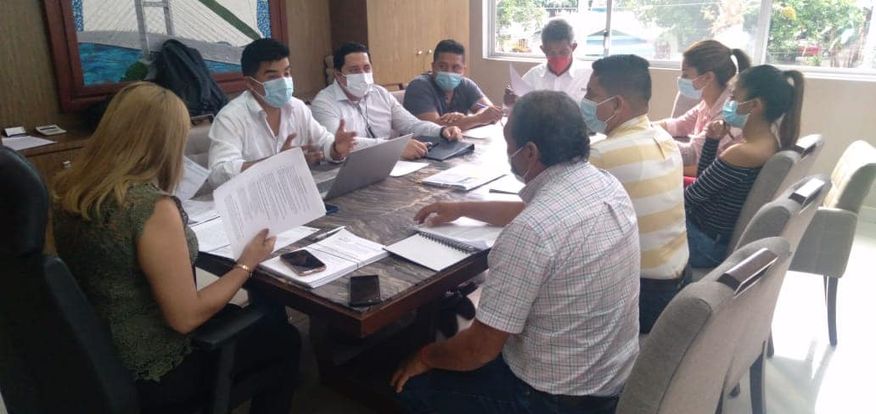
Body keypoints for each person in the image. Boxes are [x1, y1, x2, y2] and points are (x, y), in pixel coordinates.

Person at [52, 82, 300, 413]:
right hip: (156, 368)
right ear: (164, 143)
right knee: (285, 339)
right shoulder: (149, 208)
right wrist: (247, 263)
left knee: (259, 320)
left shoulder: (72, 189)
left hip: (98, 354)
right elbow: (186, 317)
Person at [392, 91, 640, 414]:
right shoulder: (605, 184)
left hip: (550, 399)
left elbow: (477, 351)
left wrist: (425, 355)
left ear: (530, 152)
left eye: (510, 144)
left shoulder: (530, 233)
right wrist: (462, 208)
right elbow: (534, 211)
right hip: (612, 379)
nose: (508, 152)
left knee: (413, 386)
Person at [579, 54, 690, 333]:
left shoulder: (602, 154)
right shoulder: (663, 137)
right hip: (679, 284)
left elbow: (544, 215)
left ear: (617, 104)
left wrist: (470, 208)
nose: (585, 101)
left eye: (591, 94)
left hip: (643, 297)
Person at [685, 65, 805, 268]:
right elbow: (704, 182)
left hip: (703, 244)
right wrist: (712, 141)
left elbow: (690, 197)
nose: (728, 102)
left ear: (754, 105)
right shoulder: (769, 143)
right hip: (712, 240)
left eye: (733, 97)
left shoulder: (742, 153)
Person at [208, 38, 356, 187]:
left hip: (294, 189)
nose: (283, 81)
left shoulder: (297, 107)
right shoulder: (230, 118)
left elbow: (323, 141)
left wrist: (336, 148)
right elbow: (218, 174)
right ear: (250, 83)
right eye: (272, 77)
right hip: (253, 195)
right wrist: (275, 164)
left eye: (287, 73)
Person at [311, 42, 463, 161]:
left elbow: (411, 124)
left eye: (366, 68)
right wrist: (395, 148)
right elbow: (340, 145)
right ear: (338, 75)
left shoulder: (380, 93)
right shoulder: (323, 103)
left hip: (390, 165)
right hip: (347, 170)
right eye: (355, 70)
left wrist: (441, 131)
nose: (363, 75)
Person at [655, 40, 751, 176]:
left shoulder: (729, 112)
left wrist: (650, 140)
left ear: (707, 78)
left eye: (685, 75)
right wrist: (646, 127)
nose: (681, 79)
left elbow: (691, 155)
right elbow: (679, 125)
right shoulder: (707, 103)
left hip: (709, 179)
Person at [403, 39, 503, 130]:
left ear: (463, 70)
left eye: (456, 67)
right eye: (442, 66)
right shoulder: (419, 87)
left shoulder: (466, 84)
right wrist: (477, 118)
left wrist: (467, 119)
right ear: (433, 67)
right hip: (423, 143)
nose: (449, 72)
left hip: (459, 141)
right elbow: (434, 128)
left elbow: (491, 112)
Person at [504, 18, 591, 105]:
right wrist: (510, 103)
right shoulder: (533, 76)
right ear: (543, 50)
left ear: (573, 47)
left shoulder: (588, 76)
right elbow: (515, 109)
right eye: (552, 53)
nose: (557, 57)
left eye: (563, 52)